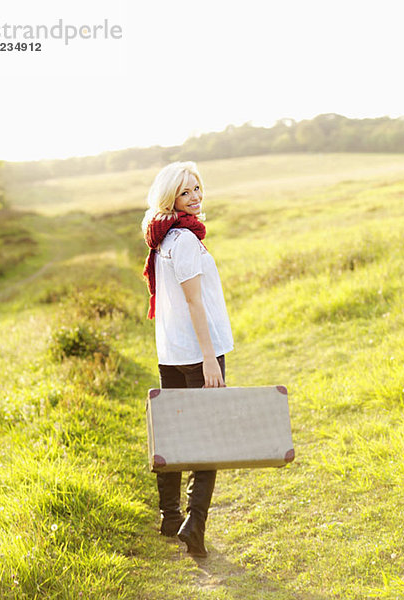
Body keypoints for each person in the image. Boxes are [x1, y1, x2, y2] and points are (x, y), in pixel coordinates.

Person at [142, 161, 234, 557]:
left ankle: (169, 515)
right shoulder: (183, 240)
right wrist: (210, 359)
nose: (195, 196)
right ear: (170, 198)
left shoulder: (162, 238)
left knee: (178, 434)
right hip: (198, 355)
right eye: (186, 192)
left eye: (197, 188)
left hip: (172, 353)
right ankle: (193, 526)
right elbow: (195, 302)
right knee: (207, 439)